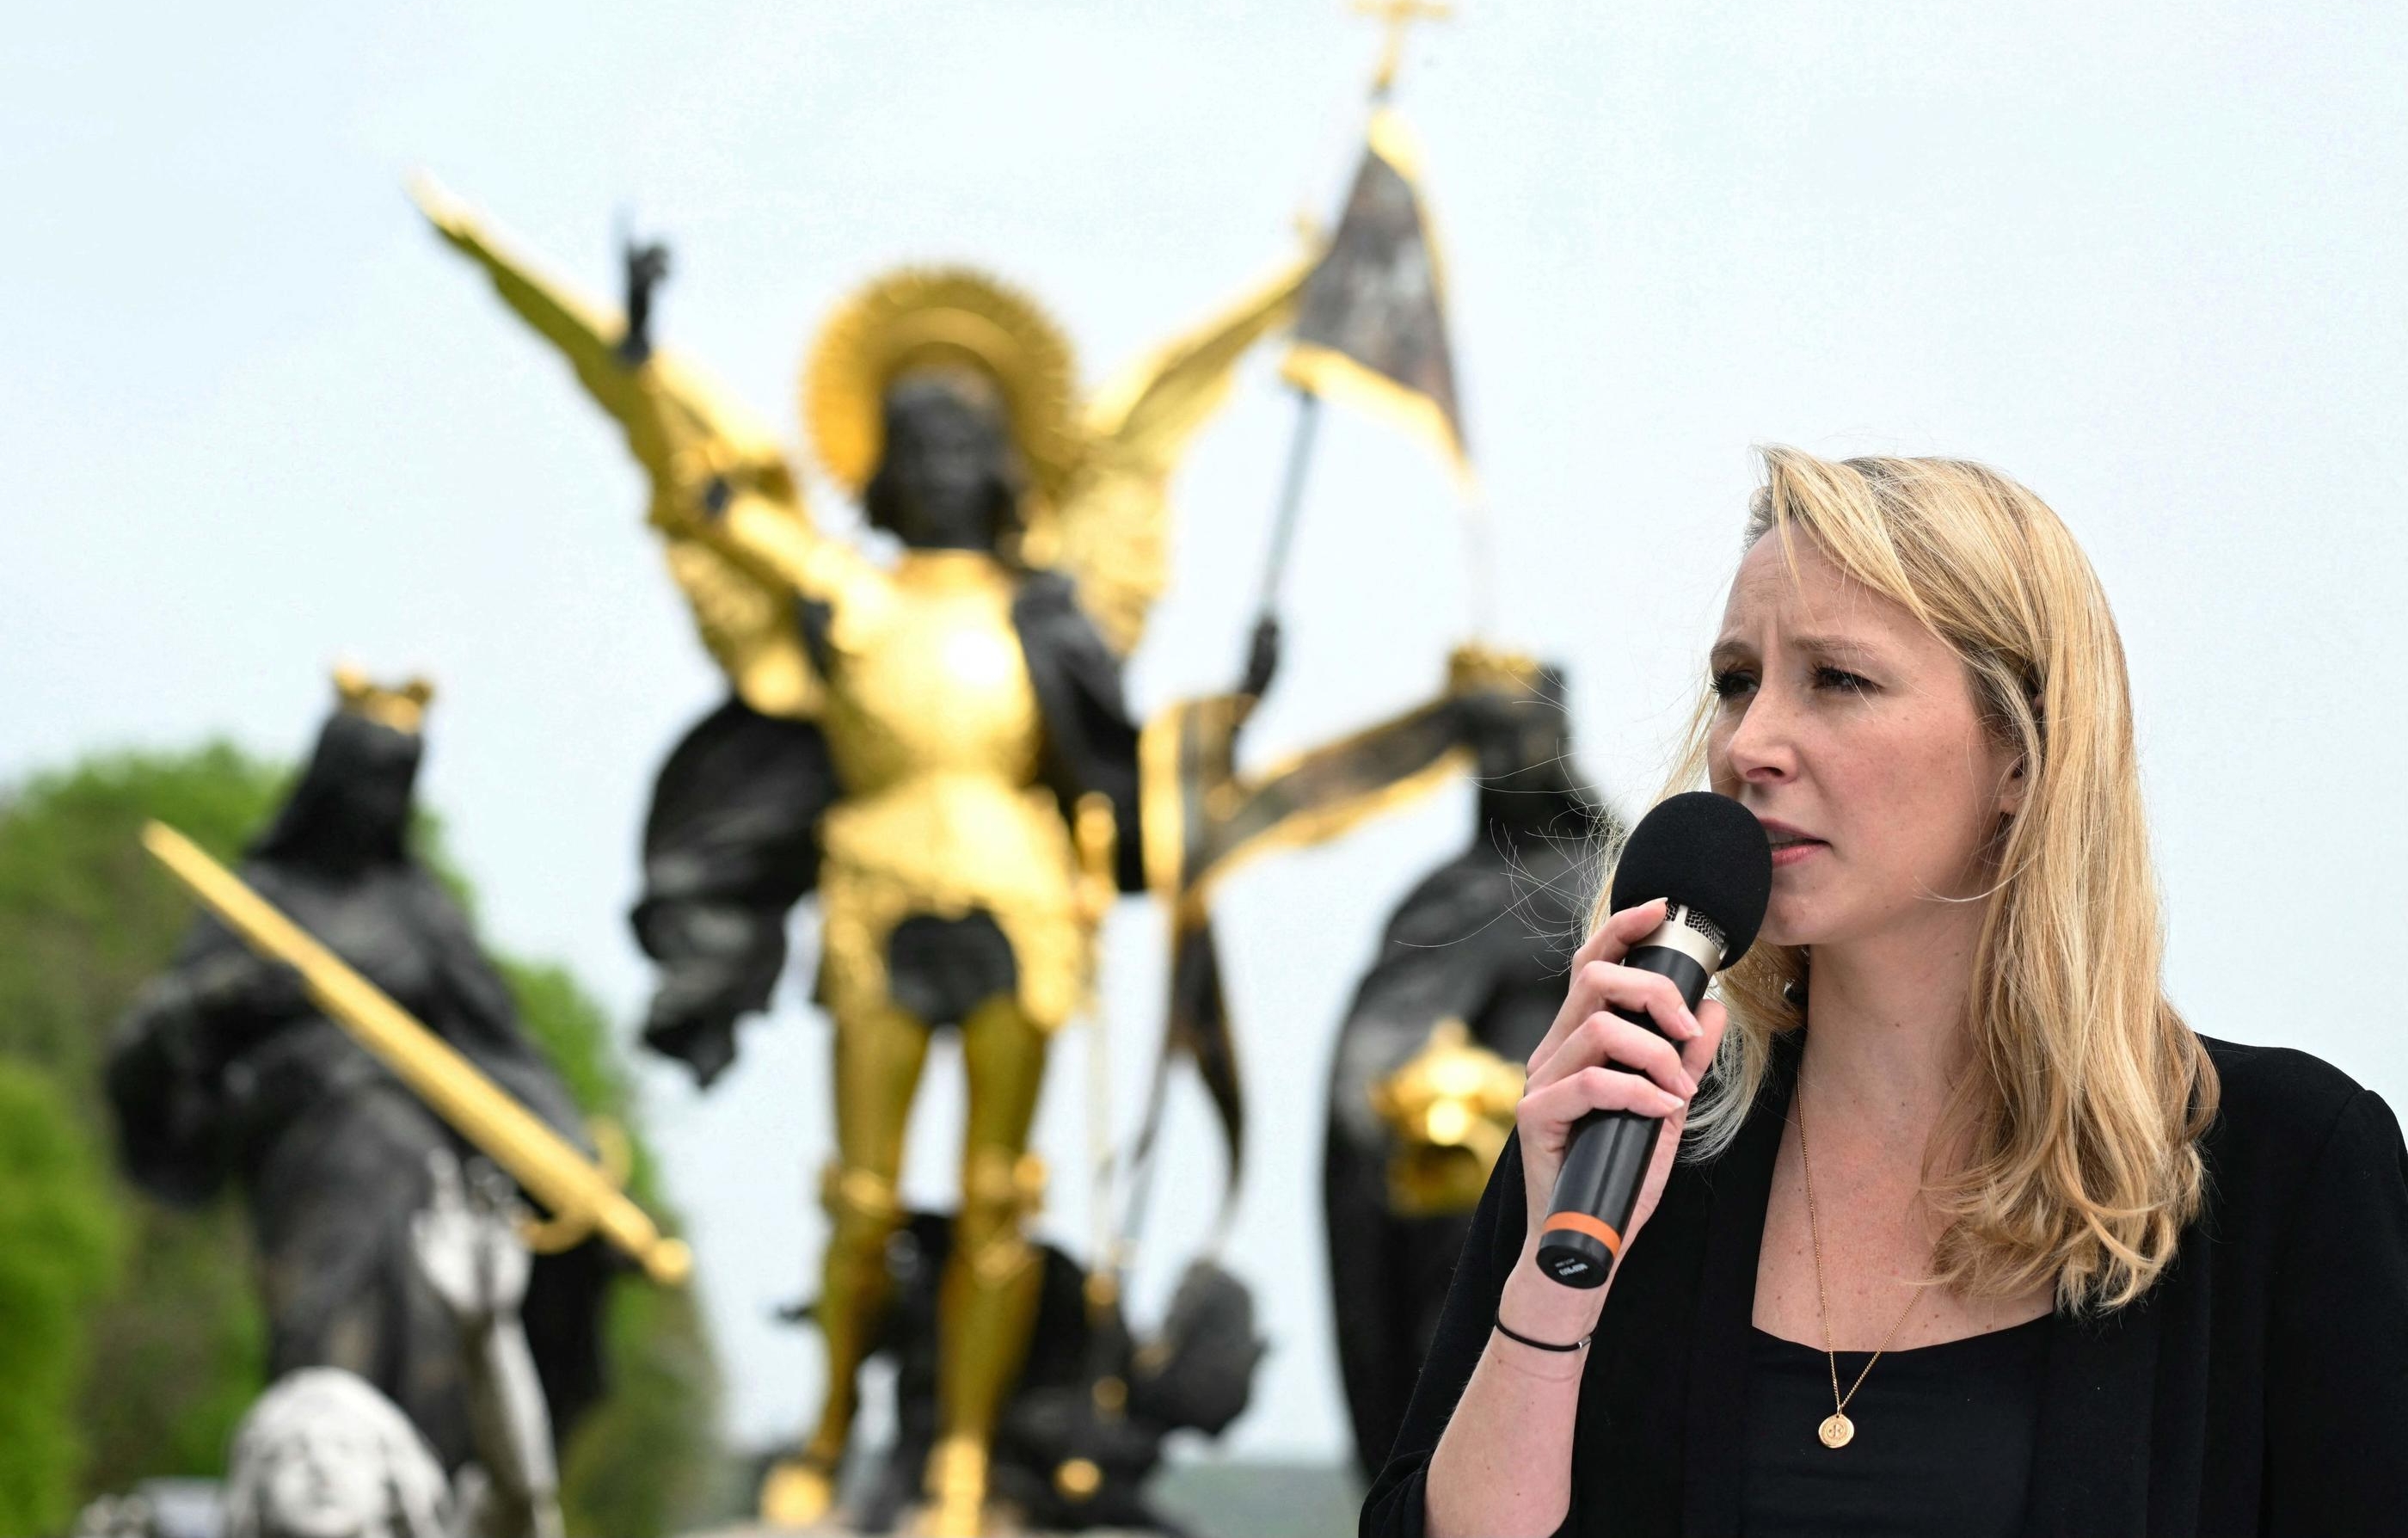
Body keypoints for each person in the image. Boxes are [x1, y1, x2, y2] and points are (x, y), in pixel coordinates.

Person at [1366, 447, 2408, 1536]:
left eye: (1838, 680)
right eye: (1735, 683)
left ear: (2022, 754)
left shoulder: (2293, 1168)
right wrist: (1553, 1288)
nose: (1750, 743)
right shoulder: (1623, 1138)